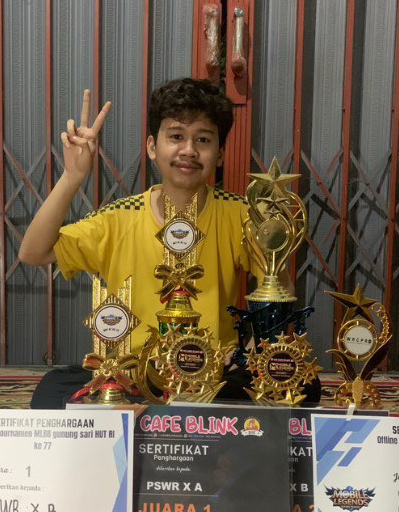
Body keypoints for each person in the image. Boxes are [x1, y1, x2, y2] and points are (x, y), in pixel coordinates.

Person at [20, 78, 265, 409]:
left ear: (219, 153)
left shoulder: (240, 215)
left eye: (203, 140)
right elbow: (33, 252)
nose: (189, 150)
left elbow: (279, 290)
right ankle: (172, 419)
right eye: (176, 136)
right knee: (51, 391)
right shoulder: (120, 217)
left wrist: (250, 348)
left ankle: (148, 420)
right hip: (133, 373)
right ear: (152, 146)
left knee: (298, 384)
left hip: (210, 373)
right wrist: (72, 176)